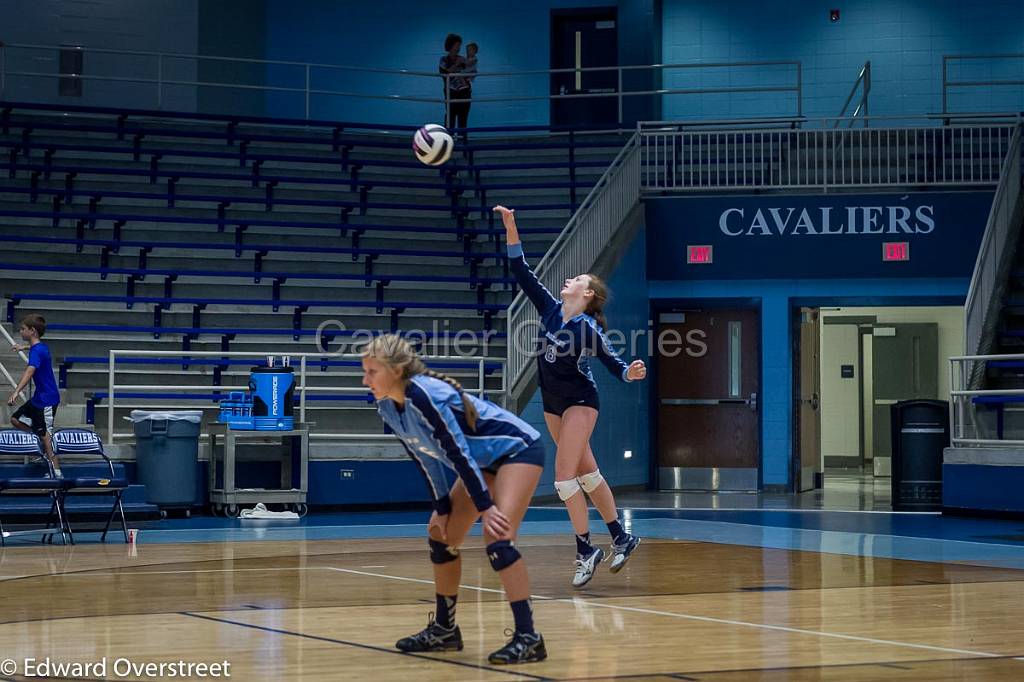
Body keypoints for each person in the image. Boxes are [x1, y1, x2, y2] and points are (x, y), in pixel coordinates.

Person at [362, 334, 547, 664]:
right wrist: (442, 506)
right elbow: (425, 458)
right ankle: (446, 631)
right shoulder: (388, 406)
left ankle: (529, 637)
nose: (366, 380)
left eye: (372, 372)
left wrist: (487, 508)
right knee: (441, 535)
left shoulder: (423, 396)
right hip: (483, 463)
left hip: (518, 450)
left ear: (397, 370)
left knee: (499, 538)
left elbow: (458, 452)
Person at [494, 205, 647, 589]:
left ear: (588, 293)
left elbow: (614, 364)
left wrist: (630, 372)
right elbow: (520, 270)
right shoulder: (549, 311)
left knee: (563, 479)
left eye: (576, 278)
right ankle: (621, 537)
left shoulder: (587, 328)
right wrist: (512, 225)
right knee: (587, 474)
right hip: (552, 403)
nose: (568, 278)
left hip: (580, 401)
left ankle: (585, 550)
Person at [7, 314, 62, 476]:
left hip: (47, 399)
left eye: (23, 329)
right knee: (15, 419)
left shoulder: (37, 351)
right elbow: (35, 348)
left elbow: (30, 371)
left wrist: (17, 392)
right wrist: (22, 347)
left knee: (46, 435)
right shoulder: (41, 347)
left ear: (32, 331)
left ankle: (56, 472)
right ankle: (42, 445)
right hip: (39, 398)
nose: (21, 331)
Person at [438, 33, 472, 134]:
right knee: (450, 118)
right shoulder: (443, 60)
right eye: (457, 45)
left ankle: (463, 144)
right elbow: (445, 73)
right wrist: (457, 64)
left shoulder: (462, 59)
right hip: (451, 93)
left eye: (459, 45)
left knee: (463, 118)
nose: (459, 48)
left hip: (464, 92)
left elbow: (470, 74)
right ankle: (447, 142)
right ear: (450, 46)